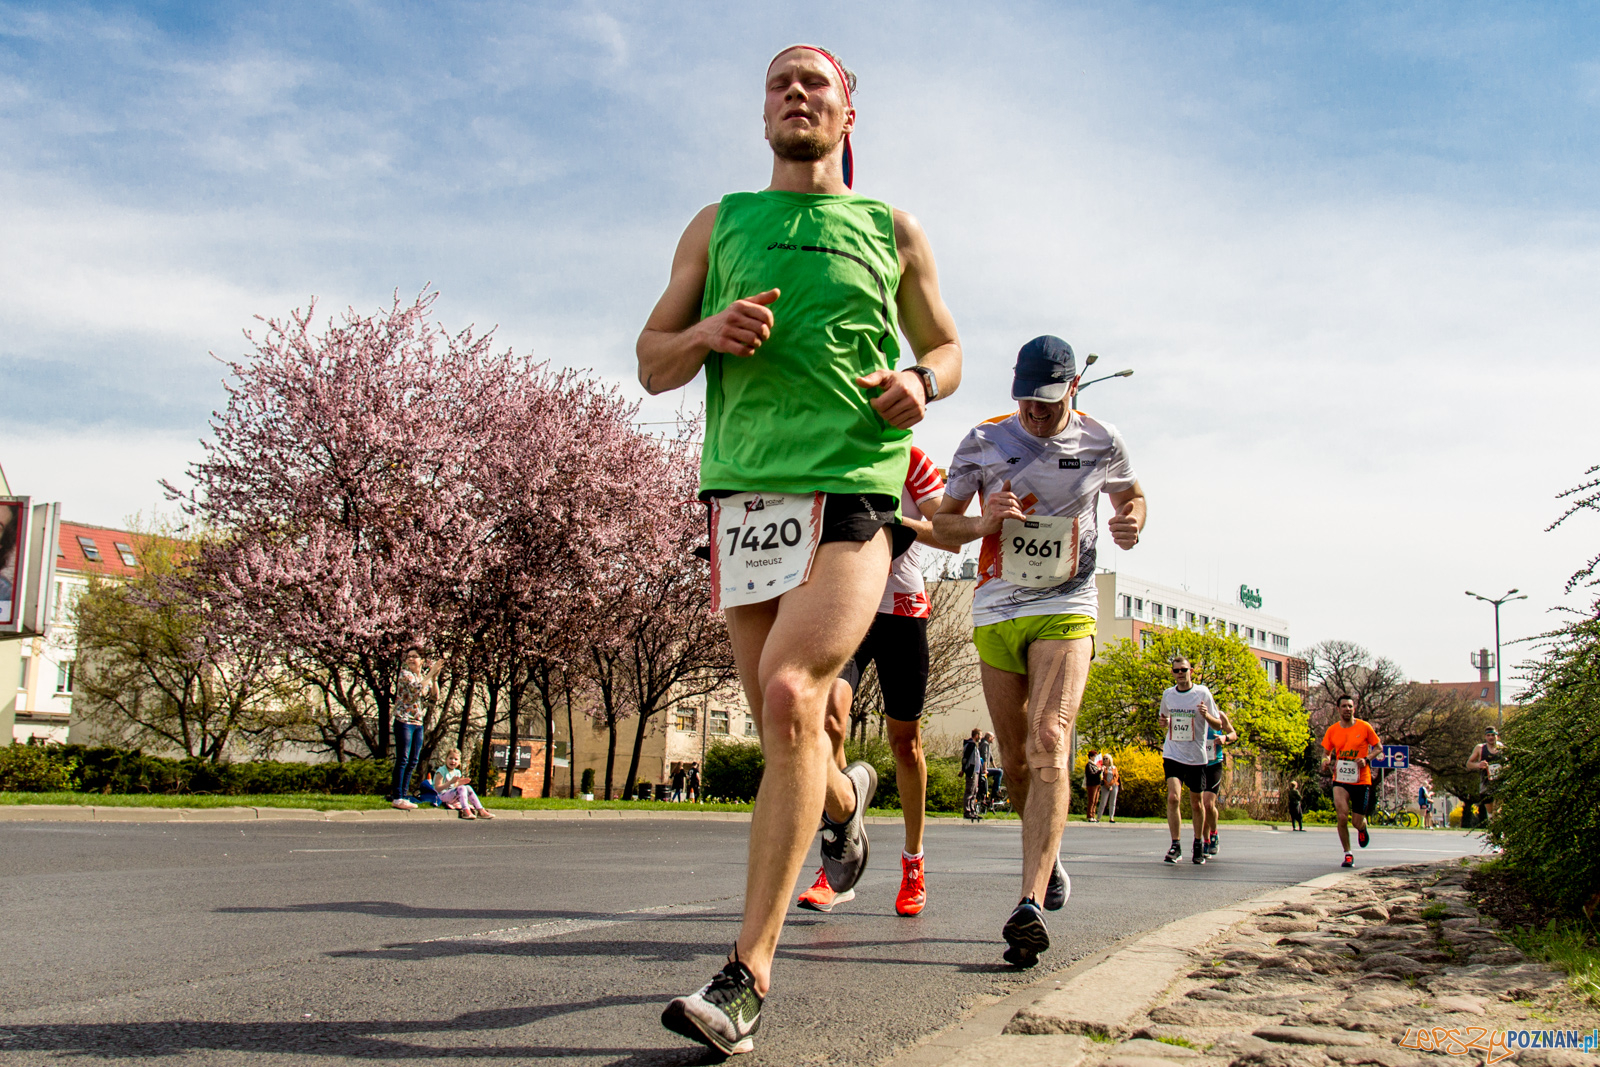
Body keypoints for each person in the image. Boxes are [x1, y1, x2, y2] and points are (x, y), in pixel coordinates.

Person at [639, 44, 963, 1057]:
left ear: (846, 111)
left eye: (814, 81)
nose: (795, 92)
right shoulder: (718, 223)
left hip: (853, 482)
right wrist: (706, 334)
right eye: (779, 82)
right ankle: (845, 797)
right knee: (794, 723)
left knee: (789, 693)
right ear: (764, 112)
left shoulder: (890, 228)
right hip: (744, 494)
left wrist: (922, 381)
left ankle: (745, 977)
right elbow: (650, 361)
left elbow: (948, 347)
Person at [933, 334, 1146, 969]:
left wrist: (1132, 522)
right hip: (997, 609)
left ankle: (1028, 904)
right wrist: (983, 522)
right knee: (1016, 764)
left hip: (1067, 604)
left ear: (1073, 388)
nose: (1035, 412)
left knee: (1049, 738)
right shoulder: (983, 439)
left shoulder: (1102, 440)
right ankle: (1048, 858)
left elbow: (1132, 497)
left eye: (1048, 402)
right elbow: (943, 525)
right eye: (1026, 399)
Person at [799, 443, 960, 916]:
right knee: (829, 718)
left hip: (901, 611)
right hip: (848, 604)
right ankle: (841, 847)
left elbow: (949, 534)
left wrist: (892, 521)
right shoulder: (834, 452)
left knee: (904, 743)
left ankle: (914, 862)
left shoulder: (912, 460)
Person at [1158, 655, 1227, 864]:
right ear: (1172, 673)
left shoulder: (1202, 693)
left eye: (1183, 670)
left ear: (1191, 671)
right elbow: (1164, 717)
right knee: (1173, 798)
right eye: (1176, 670)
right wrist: (1164, 722)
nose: (1180, 674)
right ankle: (1175, 845)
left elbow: (1218, 725)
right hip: (1173, 752)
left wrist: (1206, 715)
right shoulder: (1168, 694)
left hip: (1196, 756)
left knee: (1197, 804)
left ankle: (1198, 843)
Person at [1320, 694, 1382, 868]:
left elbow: (1378, 747)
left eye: (1350, 706)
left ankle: (1362, 828)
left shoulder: (1364, 727)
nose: (1347, 709)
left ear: (1354, 709)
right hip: (1341, 779)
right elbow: (1326, 752)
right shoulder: (1333, 730)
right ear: (1338, 709)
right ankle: (1348, 854)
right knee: (1341, 816)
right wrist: (1325, 761)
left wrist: (1367, 759)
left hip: (1361, 780)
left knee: (1356, 821)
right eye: (1344, 706)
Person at [390, 647, 444, 810]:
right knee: (403, 759)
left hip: (417, 722)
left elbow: (435, 696)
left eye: (415, 656)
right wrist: (430, 673)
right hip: (404, 721)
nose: (411, 659)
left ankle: (404, 795)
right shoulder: (405, 675)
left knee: (413, 760)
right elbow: (416, 690)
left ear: (422, 660)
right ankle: (397, 797)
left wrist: (434, 678)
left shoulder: (422, 676)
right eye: (409, 657)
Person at [1201, 704, 1238, 856]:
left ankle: (1213, 834)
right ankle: (1205, 841)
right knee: (1200, 805)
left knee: (1208, 804)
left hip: (1214, 764)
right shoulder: (1195, 714)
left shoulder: (1219, 715)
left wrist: (1225, 738)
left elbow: (1233, 734)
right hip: (1198, 764)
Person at [433, 749, 495, 819]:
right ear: (446, 759)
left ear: (459, 761)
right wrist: (450, 782)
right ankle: (465, 811)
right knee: (462, 788)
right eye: (450, 758)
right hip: (440, 796)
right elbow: (437, 788)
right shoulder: (441, 771)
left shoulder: (457, 772)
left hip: (451, 797)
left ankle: (480, 810)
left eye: (456, 759)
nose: (453, 761)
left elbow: (454, 787)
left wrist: (459, 783)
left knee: (467, 787)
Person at [1465, 727, 1502, 820]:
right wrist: (1479, 765)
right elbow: (1468, 764)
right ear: (1485, 737)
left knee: (1497, 810)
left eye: (1493, 735)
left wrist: (1504, 768)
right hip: (1486, 784)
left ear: (1497, 736)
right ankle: (1492, 824)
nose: (1491, 737)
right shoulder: (1480, 748)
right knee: (1490, 811)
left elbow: (1509, 762)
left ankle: (1498, 826)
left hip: (1500, 783)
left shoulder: (1501, 747)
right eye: (1488, 735)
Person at [961, 727, 986, 820]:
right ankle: (967, 811)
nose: (981, 737)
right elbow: (965, 758)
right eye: (980, 735)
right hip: (971, 772)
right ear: (976, 735)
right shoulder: (971, 745)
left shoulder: (974, 745)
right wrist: (963, 770)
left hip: (976, 772)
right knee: (970, 791)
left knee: (974, 791)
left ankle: (972, 810)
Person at [1097, 755, 1120, 822]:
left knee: (1112, 802)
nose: (1105, 760)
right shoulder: (1103, 768)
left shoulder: (1114, 767)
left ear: (1110, 759)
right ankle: (1098, 817)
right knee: (1103, 802)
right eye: (1104, 759)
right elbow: (1102, 777)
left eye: (1106, 759)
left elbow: (1116, 776)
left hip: (1114, 786)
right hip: (1105, 786)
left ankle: (1111, 817)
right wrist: (1107, 784)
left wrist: (1111, 784)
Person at [1083, 749, 1103, 823]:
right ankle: (1090, 815)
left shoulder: (1095, 765)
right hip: (1092, 784)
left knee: (1095, 801)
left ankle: (1093, 815)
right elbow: (1091, 775)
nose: (1095, 758)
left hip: (1097, 784)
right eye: (1094, 756)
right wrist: (1100, 771)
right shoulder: (1089, 765)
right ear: (1091, 757)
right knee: (1092, 800)